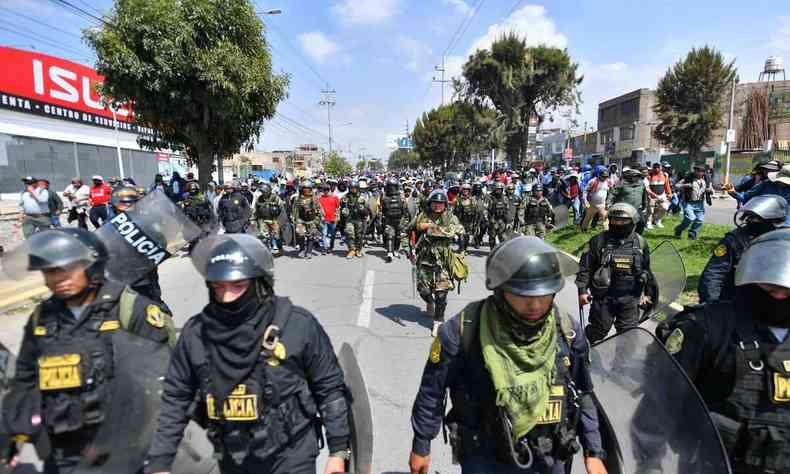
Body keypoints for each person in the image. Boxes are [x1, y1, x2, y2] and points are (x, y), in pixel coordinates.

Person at [144, 234, 351, 474]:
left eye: (238, 286)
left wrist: (338, 452)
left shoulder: (298, 325)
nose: (226, 296)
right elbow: (175, 398)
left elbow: (329, 389)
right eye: (218, 286)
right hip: (230, 454)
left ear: (260, 285)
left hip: (292, 453)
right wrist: (160, 461)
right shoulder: (196, 333)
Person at [409, 236, 607, 474]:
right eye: (524, 297)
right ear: (501, 290)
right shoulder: (464, 330)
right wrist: (421, 445)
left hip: (551, 456)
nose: (535, 306)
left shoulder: (567, 331)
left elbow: (583, 392)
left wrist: (593, 452)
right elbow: (432, 391)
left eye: (544, 297)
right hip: (485, 457)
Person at [2, 228, 175, 472]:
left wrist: (159, 456)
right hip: (63, 452)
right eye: (49, 271)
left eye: (67, 269)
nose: (57, 278)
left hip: (125, 450)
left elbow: (166, 386)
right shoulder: (43, 318)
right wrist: (12, 438)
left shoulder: (130, 310)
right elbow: (25, 380)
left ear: (92, 266)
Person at [655, 228, 790, 473]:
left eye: (788, 289)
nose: (780, 295)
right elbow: (662, 401)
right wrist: (648, 460)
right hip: (717, 461)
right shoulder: (708, 326)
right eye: (770, 287)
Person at [576, 203, 652, 343]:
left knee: (628, 337)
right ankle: (579, 349)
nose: (618, 223)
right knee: (597, 332)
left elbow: (647, 270)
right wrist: (582, 290)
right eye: (614, 220)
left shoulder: (641, 243)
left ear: (633, 221)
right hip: (604, 297)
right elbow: (585, 267)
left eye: (623, 221)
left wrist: (647, 294)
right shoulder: (598, 241)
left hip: (630, 298)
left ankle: (622, 364)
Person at [698, 194, 788, 304]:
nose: (752, 221)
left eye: (757, 219)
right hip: (738, 302)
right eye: (751, 218)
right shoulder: (735, 240)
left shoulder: (783, 240)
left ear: (776, 221)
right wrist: (710, 303)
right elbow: (714, 273)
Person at [407, 190, 465, 336]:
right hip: (424, 258)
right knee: (424, 290)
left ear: (445, 205)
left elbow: (459, 231)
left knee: (441, 294)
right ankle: (429, 302)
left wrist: (431, 227)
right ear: (430, 203)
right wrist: (410, 250)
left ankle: (438, 321)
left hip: (443, 260)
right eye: (435, 203)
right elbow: (408, 231)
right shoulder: (422, 216)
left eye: (441, 203)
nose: (438, 206)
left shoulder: (450, 217)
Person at [674, 163, 714, 240]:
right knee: (690, 218)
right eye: (697, 171)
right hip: (688, 202)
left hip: (699, 203)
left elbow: (711, 190)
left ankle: (692, 234)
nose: (699, 173)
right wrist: (685, 185)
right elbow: (677, 185)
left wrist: (710, 190)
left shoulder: (706, 179)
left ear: (703, 172)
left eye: (701, 171)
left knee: (699, 220)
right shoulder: (688, 177)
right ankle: (678, 229)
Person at [606, 167, 647, 234]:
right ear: (630, 176)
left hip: (636, 208)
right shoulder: (621, 183)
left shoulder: (641, 184)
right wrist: (608, 203)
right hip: (623, 209)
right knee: (623, 224)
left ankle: (637, 236)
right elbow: (612, 193)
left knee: (641, 222)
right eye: (635, 176)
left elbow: (644, 195)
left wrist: (644, 205)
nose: (637, 178)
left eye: (638, 176)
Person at [380, 178, 409, 262]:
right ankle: (389, 253)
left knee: (398, 237)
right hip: (389, 220)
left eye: (393, 186)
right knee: (390, 235)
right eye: (390, 186)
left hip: (399, 220)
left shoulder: (401, 196)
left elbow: (405, 210)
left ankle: (396, 250)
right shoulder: (384, 196)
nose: (392, 188)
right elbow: (383, 210)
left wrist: (405, 222)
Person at [293, 181, 322, 259]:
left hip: (311, 220)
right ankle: (302, 250)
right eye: (304, 188)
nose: (306, 190)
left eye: (308, 188)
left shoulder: (314, 198)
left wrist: (317, 220)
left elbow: (319, 211)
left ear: (310, 189)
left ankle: (309, 251)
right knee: (300, 235)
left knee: (311, 236)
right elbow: (295, 210)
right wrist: (294, 219)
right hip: (301, 220)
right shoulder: (297, 198)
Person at [340, 182, 369, 259]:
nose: (353, 189)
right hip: (350, 219)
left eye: (355, 188)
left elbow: (367, 208)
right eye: (351, 188)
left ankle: (358, 250)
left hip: (359, 219)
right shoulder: (346, 197)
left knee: (359, 235)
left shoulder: (362, 197)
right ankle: (351, 250)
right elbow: (341, 205)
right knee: (350, 234)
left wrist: (364, 211)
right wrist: (343, 210)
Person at [254, 183, 284, 254]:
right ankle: (267, 251)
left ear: (268, 191)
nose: (263, 193)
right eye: (262, 192)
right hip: (263, 220)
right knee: (264, 237)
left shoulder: (275, 198)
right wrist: (254, 218)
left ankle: (280, 250)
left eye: (264, 191)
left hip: (274, 220)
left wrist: (281, 220)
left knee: (276, 236)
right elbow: (256, 209)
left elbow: (282, 208)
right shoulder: (259, 198)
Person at [453, 183, 480, 253]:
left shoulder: (472, 200)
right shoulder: (458, 200)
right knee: (461, 236)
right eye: (464, 189)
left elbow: (476, 211)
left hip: (469, 222)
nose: (465, 191)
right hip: (460, 221)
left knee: (466, 237)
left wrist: (476, 222)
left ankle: (465, 249)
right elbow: (454, 212)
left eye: (467, 190)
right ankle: (461, 249)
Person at [645, 162, 672, 229]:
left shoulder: (665, 175)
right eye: (655, 167)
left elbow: (667, 185)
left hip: (662, 195)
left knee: (664, 208)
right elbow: (647, 188)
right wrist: (652, 195)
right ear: (653, 168)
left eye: (658, 167)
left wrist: (669, 193)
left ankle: (657, 220)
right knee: (650, 210)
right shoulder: (649, 175)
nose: (656, 169)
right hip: (652, 196)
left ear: (660, 168)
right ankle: (648, 223)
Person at [487, 182, 509, 249]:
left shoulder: (505, 198)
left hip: (502, 220)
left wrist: (507, 221)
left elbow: (507, 209)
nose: (498, 191)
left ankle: (502, 250)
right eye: (497, 189)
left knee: (503, 237)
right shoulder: (489, 197)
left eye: (500, 189)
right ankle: (492, 250)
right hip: (493, 220)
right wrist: (488, 220)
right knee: (492, 237)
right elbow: (485, 210)